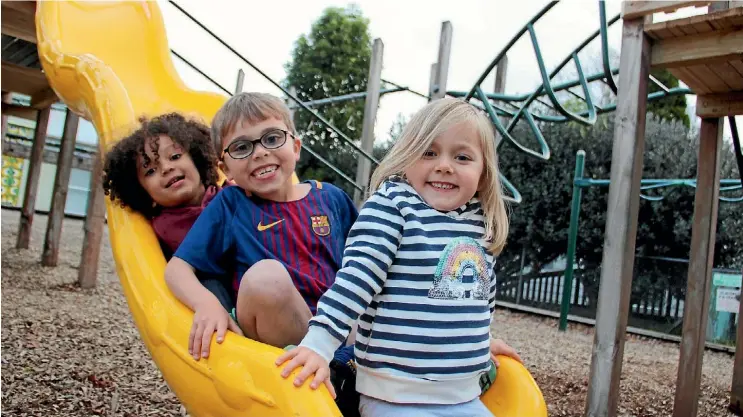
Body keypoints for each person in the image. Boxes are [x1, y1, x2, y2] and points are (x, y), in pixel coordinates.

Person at [277, 97, 522, 417]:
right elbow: (355, 280)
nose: (444, 165)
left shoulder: (478, 222)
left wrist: (481, 341)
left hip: (463, 396)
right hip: (396, 395)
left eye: (462, 156)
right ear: (408, 157)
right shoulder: (395, 207)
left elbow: (480, 298)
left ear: (484, 172)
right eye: (429, 152)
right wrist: (320, 344)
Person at [163, 92, 359, 398]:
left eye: (271, 138)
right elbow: (177, 269)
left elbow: (365, 264)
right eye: (242, 147)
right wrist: (207, 304)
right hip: (282, 335)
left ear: (295, 147)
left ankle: (352, 367)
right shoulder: (231, 205)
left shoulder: (330, 198)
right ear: (225, 169)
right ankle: (332, 369)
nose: (259, 153)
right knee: (266, 277)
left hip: (337, 329)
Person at [102, 113, 236, 315]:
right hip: (215, 300)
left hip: (253, 284)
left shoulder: (231, 196)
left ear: (197, 159)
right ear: (142, 192)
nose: (166, 168)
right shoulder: (165, 227)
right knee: (209, 284)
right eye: (150, 171)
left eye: (175, 156)